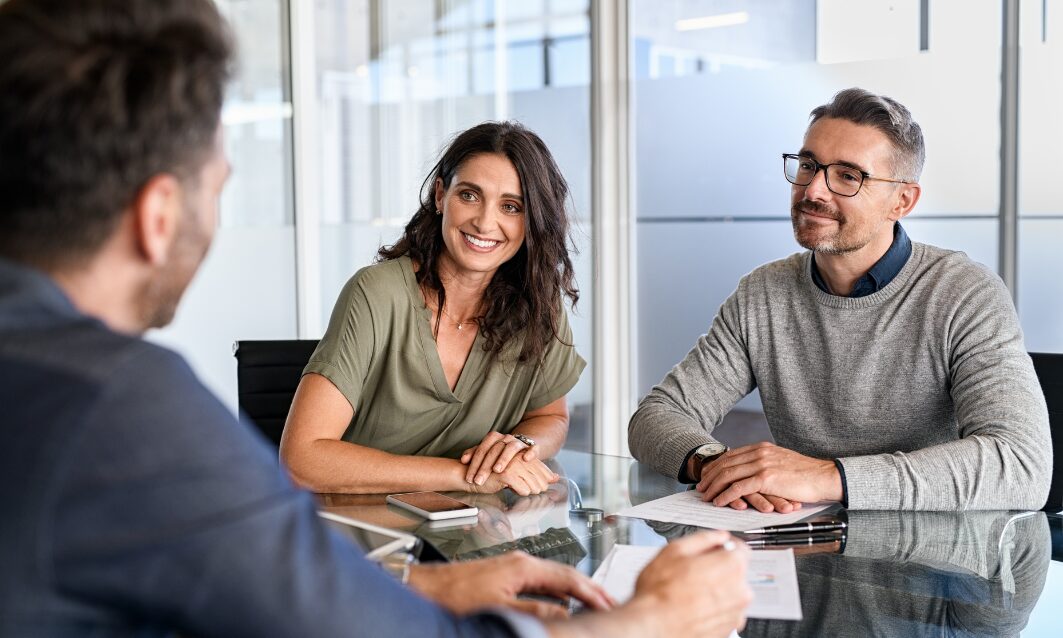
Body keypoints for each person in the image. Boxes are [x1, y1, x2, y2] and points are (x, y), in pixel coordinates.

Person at [0, 1, 753, 636]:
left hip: (420, 560)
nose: (485, 219)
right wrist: (645, 619)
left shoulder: (47, 377)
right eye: (220, 182)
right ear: (159, 214)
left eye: (512, 206)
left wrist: (434, 585)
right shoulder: (123, 409)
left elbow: (282, 603)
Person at [628, 88, 1052, 512]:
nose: (813, 191)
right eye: (809, 165)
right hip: (801, 549)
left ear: (901, 201)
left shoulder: (963, 294)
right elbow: (656, 416)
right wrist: (716, 465)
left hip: (933, 561)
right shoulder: (762, 294)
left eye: (848, 176)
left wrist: (827, 476)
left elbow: (1019, 464)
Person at [281, 122, 584, 496]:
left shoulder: (539, 304)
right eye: (470, 195)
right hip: (360, 534)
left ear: (532, 220)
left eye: (511, 206)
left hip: (471, 536)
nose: (485, 222)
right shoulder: (376, 293)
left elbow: (550, 416)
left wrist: (520, 446)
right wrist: (465, 477)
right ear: (441, 195)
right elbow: (301, 460)